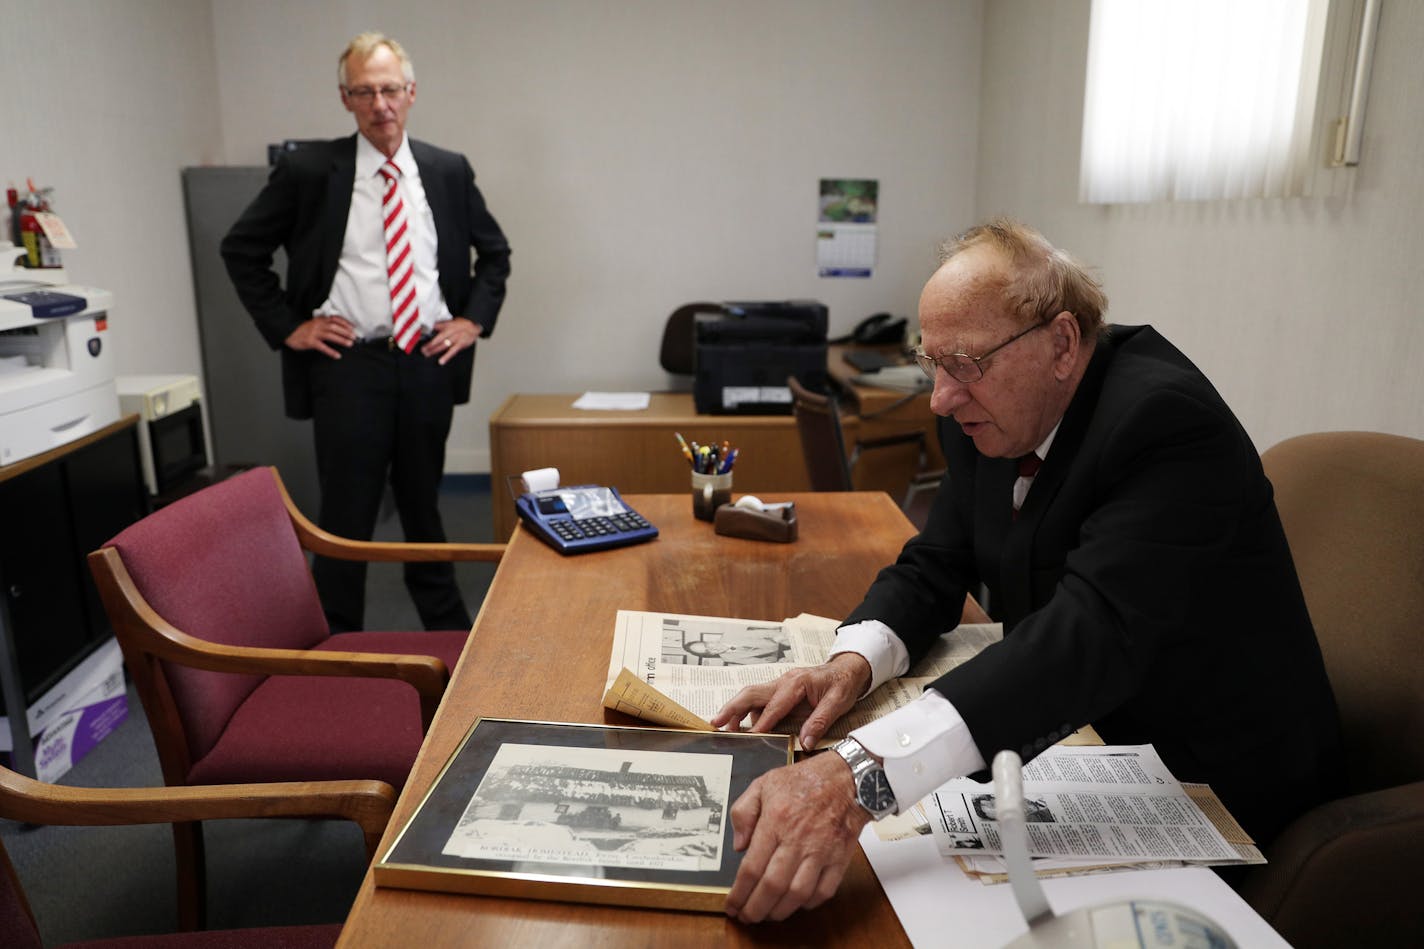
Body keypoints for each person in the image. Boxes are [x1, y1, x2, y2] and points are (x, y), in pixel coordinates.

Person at [711, 219, 1342, 923]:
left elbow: (1088, 633)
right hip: (1086, 742)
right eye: (932, 364)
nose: (940, 399)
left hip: (1217, 788)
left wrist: (861, 776)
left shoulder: (1164, 422)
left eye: (965, 365)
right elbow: (938, 560)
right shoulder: (986, 410)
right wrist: (852, 663)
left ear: (1063, 344)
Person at [221, 32, 511, 633]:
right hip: (348, 363)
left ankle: (451, 636)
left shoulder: (446, 170)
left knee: (423, 509)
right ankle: (337, 643)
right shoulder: (307, 171)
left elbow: (496, 254)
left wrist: (472, 321)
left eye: (389, 90)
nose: (379, 104)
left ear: (411, 93)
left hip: (427, 358)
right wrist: (288, 327)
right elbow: (241, 247)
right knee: (346, 516)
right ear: (345, 99)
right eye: (364, 92)